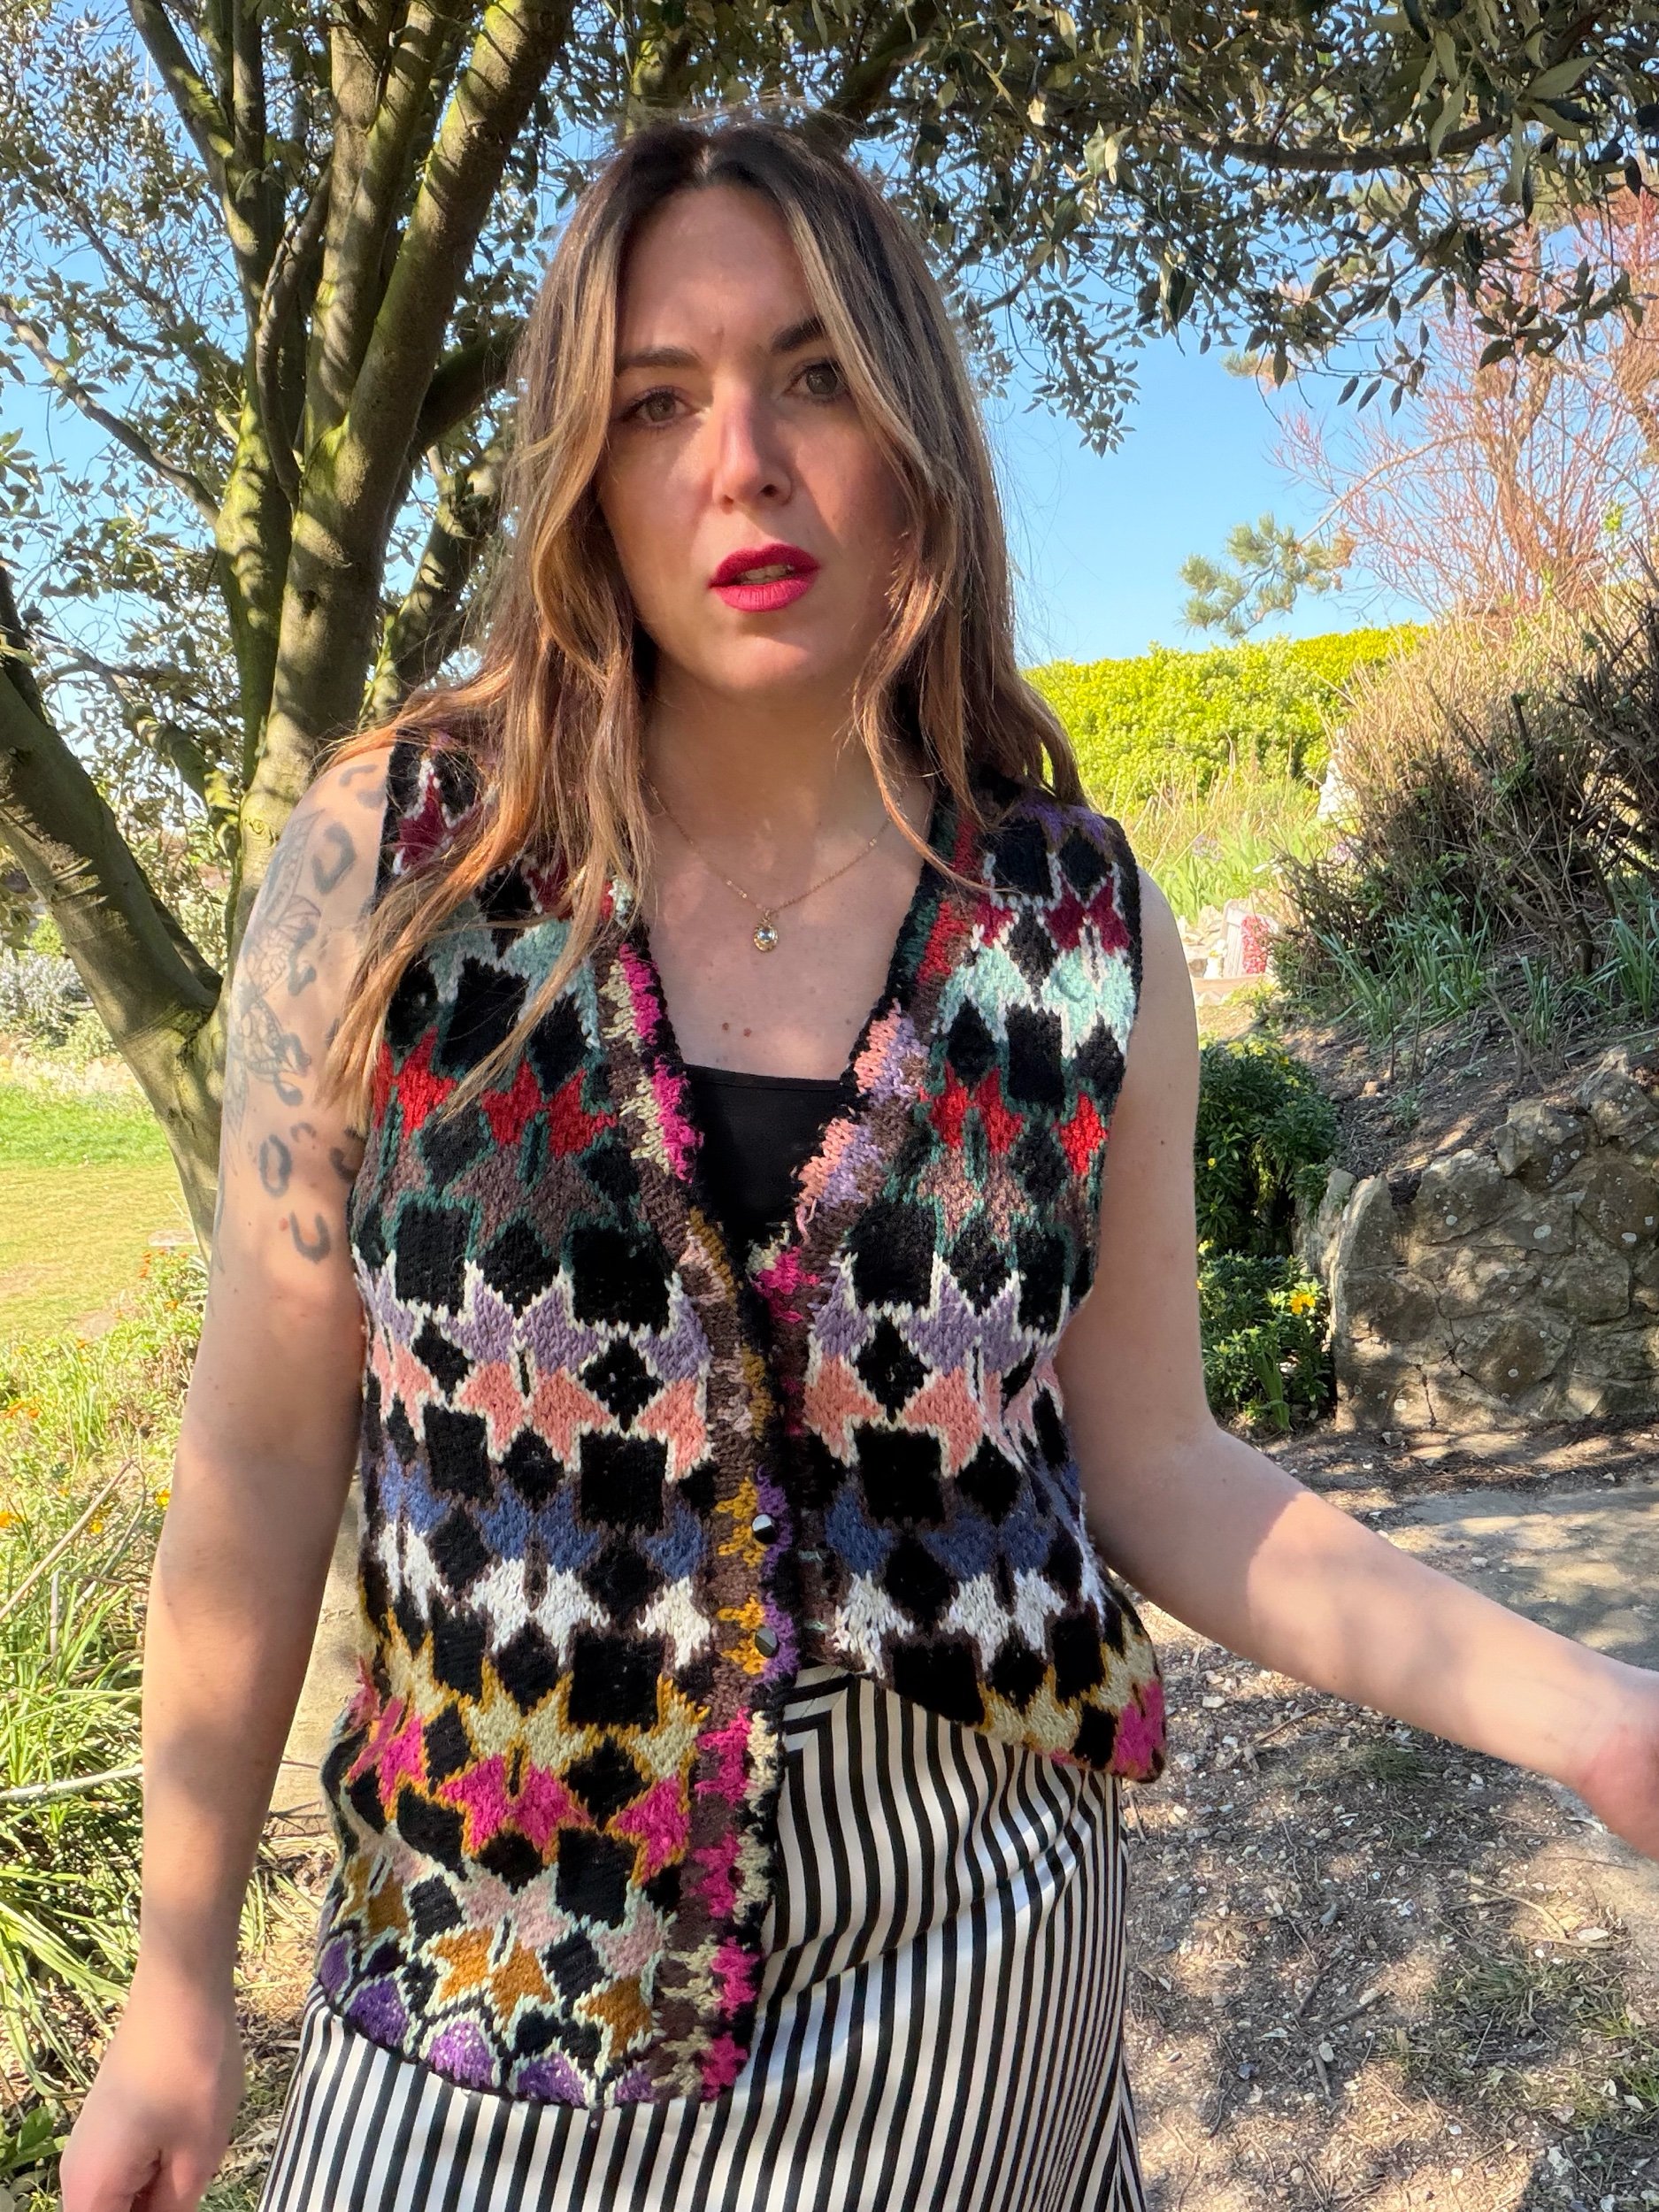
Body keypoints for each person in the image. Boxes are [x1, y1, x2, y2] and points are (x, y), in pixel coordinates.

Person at [59, 109, 1659, 2212]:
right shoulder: (399, 869)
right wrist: (176, 1985)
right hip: (482, 1981)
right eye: (657, 399)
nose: (740, 460)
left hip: (973, 1988)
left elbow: (1160, 1464)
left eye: (810, 375)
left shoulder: (1076, 926)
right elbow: (262, 1454)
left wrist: (1590, 1713)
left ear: (910, 432)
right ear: (581, 467)